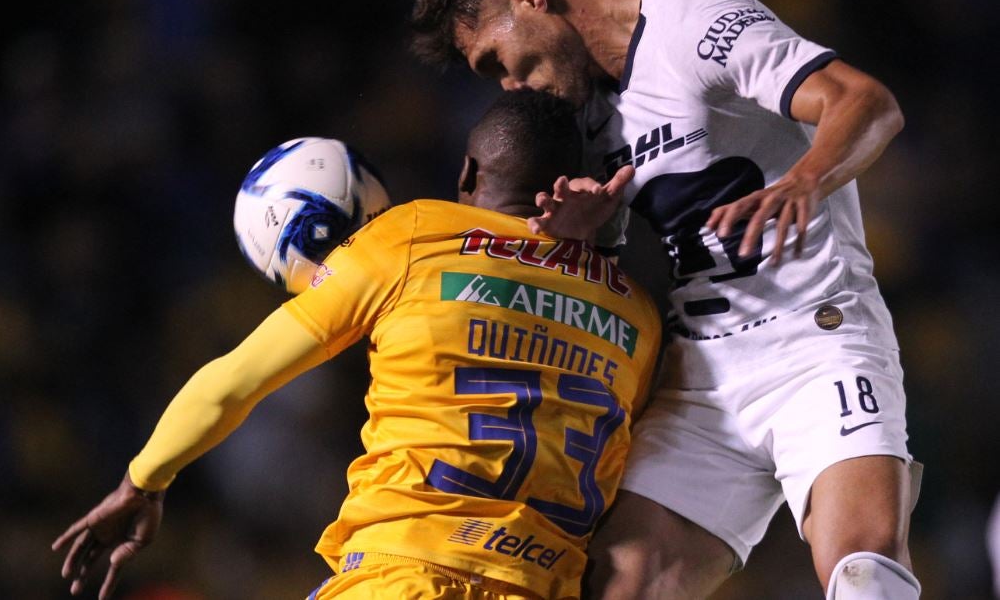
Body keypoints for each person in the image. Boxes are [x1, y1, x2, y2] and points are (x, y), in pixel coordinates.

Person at [411, 0, 920, 599]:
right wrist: (582, 238)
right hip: (701, 381)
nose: (508, 85)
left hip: (817, 340)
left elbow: (867, 103)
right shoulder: (582, 120)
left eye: (496, 60)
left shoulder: (693, 23)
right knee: (613, 585)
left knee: (866, 575)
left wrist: (807, 178)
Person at [52, 89, 661, 600]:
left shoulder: (414, 234)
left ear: (469, 174)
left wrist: (141, 482)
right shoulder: (639, 316)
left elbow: (233, 382)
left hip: (404, 572)